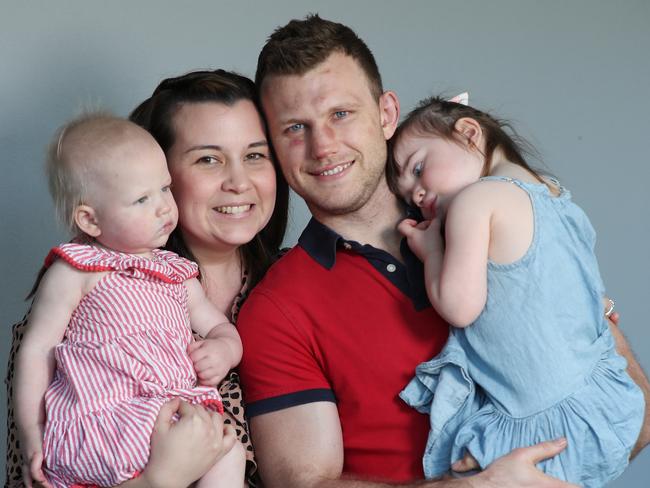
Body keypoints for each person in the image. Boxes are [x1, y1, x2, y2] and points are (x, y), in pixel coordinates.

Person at [236, 14, 650, 487]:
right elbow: (304, 486)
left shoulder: (486, 215)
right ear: (274, 144)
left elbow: (636, 417)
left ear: (387, 113)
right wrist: (478, 486)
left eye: (340, 114)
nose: (323, 145)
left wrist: (594, 323)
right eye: (294, 128)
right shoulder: (276, 311)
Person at [5, 69, 289, 488]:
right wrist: (158, 481)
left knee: (224, 451)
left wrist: (226, 348)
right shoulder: (80, 285)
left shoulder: (292, 288)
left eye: (254, 155)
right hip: (110, 434)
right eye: (208, 158)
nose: (238, 182)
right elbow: (30, 472)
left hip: (182, 420)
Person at [386, 95, 644, 486]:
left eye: (418, 169)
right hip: (605, 404)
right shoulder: (557, 196)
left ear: (470, 134)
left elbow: (459, 307)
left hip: (543, 425)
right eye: (408, 197)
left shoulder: (476, 200)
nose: (417, 195)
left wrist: (433, 251)